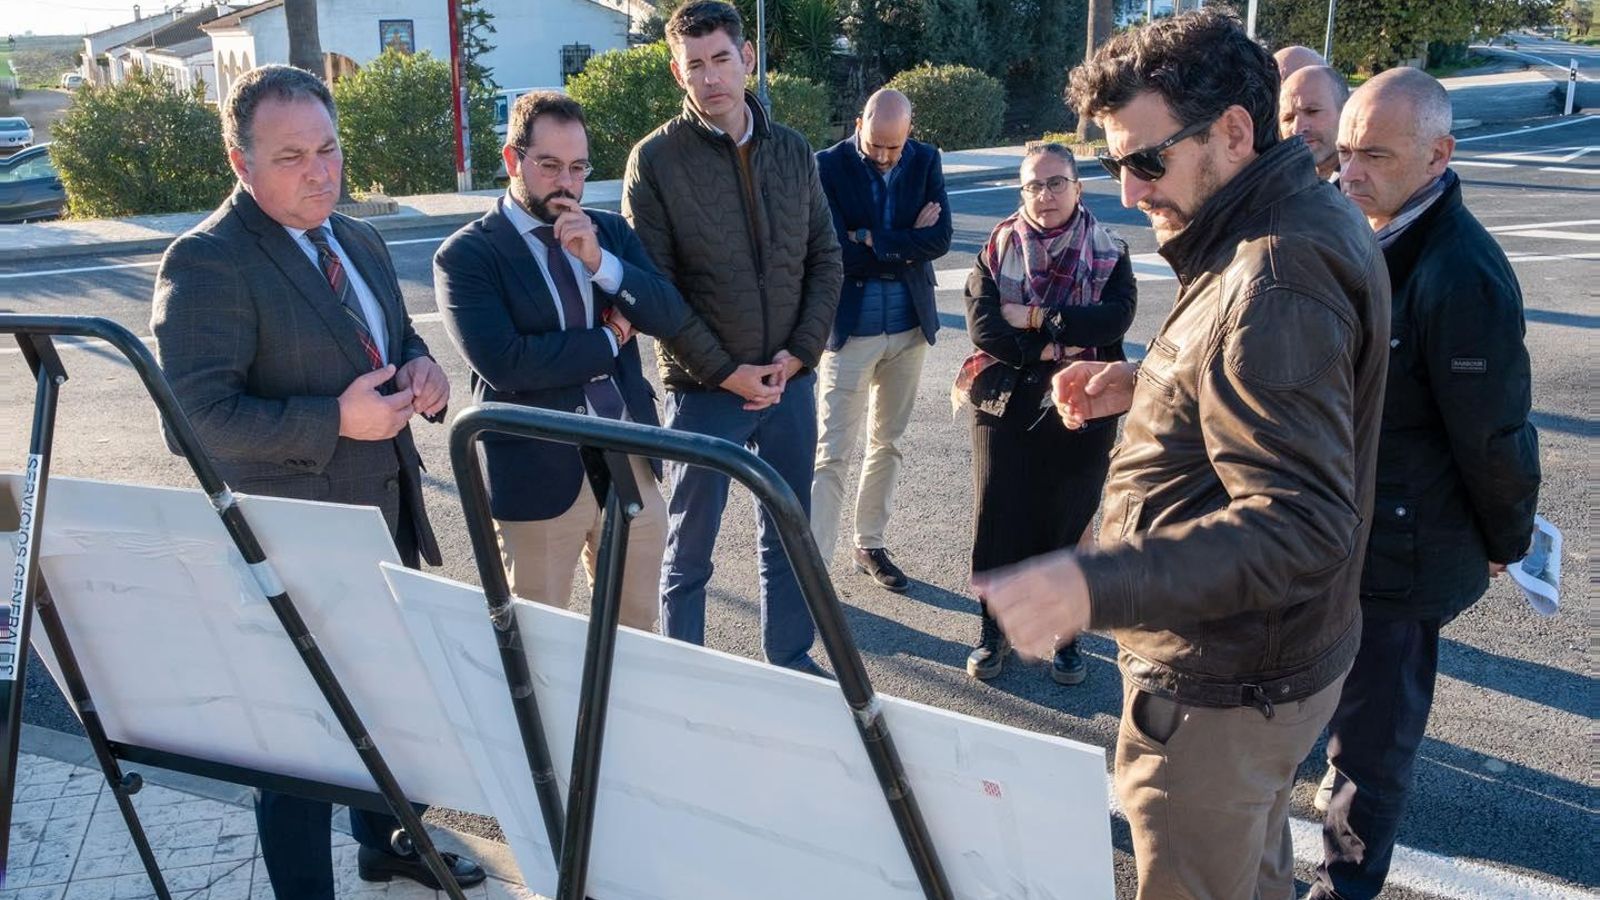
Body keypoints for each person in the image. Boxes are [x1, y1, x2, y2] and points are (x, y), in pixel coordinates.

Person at [977, 12, 1390, 899]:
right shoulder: (1277, 219)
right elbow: (1269, 385)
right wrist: (1151, 380)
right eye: (1114, 165)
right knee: (1254, 868)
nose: (1127, 192)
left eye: (1146, 161)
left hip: (1225, 680)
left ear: (1234, 133)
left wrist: (1092, 583)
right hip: (1267, 664)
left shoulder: (1274, 270)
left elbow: (1301, 521)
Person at [149, 65, 483, 893]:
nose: (320, 170)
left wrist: (421, 372)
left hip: (382, 524)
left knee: (389, 713)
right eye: (292, 155)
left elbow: (393, 339)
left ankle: (389, 842)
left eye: (328, 148)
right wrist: (332, 420)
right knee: (302, 748)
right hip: (289, 548)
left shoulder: (358, 238)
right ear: (241, 163)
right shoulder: (208, 261)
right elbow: (192, 420)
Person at [1310, 68, 1541, 900]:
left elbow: (1495, 433)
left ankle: (1345, 887)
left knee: (1369, 750)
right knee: (1328, 718)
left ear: (1440, 153)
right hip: (1338, 533)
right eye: (1343, 151)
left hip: (1401, 551)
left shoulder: (1462, 272)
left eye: (1374, 154)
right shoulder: (1362, 229)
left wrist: (1507, 540)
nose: (1349, 172)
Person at [621, 0, 843, 675]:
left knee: (789, 535)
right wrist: (725, 373)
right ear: (676, 72)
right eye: (695, 65)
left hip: (789, 385)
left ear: (746, 58)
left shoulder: (792, 149)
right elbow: (655, 291)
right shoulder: (654, 160)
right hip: (703, 393)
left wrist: (798, 355)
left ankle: (790, 661)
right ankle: (686, 678)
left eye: (721, 59)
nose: (710, 76)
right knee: (688, 553)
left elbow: (826, 259)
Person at [434, 92, 690, 631]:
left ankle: (618, 718)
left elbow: (668, 314)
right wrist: (610, 337)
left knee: (637, 634)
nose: (566, 183)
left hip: (629, 458)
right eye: (549, 165)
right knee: (537, 637)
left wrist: (600, 263)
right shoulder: (467, 256)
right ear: (512, 161)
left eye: (577, 168)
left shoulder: (610, 234)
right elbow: (508, 364)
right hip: (537, 469)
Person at [954, 142, 1135, 686]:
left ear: (1078, 188)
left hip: (1085, 399)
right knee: (999, 516)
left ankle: (1066, 638)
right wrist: (1057, 340)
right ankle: (993, 630)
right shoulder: (997, 248)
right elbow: (986, 329)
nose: (1045, 194)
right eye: (1034, 184)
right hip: (1005, 399)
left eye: (1057, 182)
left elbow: (1112, 320)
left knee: (1067, 516)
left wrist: (1034, 317)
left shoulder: (1109, 251)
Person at [811, 88, 952, 591]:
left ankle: (869, 543)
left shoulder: (927, 160)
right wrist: (902, 242)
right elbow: (833, 251)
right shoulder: (826, 166)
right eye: (875, 145)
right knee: (831, 452)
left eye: (895, 147)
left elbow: (940, 240)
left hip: (910, 327)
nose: (885, 156)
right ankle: (814, 567)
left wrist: (870, 237)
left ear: (909, 133)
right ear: (858, 123)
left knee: (887, 443)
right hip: (850, 331)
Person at [1281, 64, 1349, 180]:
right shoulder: (1272, 185)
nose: (1297, 129)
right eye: (1288, 118)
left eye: (1312, 111)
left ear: (1346, 112)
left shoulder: (1364, 189)